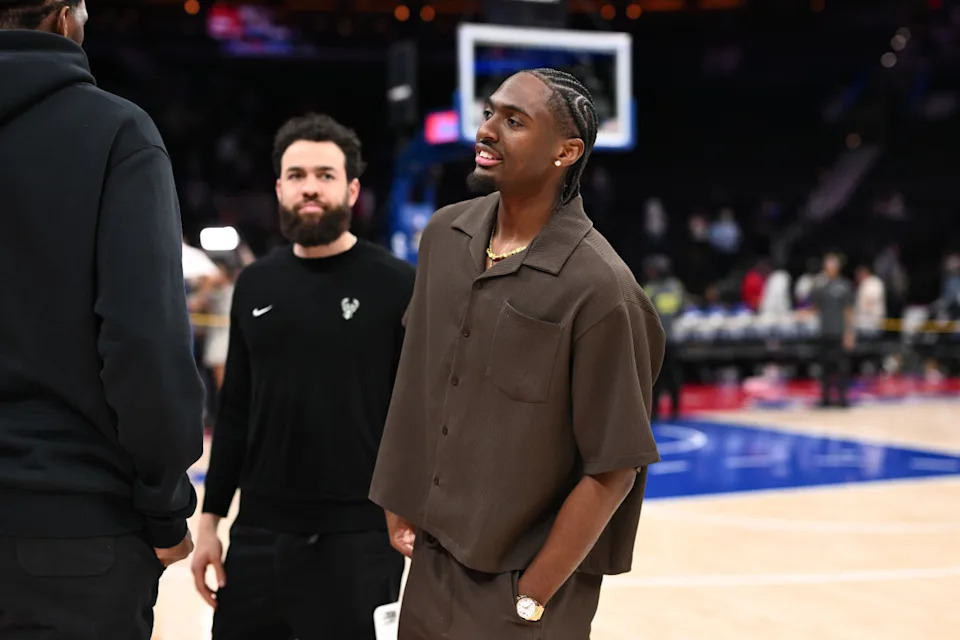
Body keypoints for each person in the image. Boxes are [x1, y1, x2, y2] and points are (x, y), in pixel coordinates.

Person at [370, 69, 665, 639]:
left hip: (522, 590)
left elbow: (614, 468)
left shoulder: (602, 288)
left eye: (514, 121)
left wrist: (531, 596)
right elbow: (417, 379)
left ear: (566, 152)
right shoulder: (444, 235)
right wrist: (398, 493)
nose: (487, 130)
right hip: (431, 562)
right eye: (489, 113)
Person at [0, 2, 204, 638]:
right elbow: (142, 341)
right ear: (64, 19)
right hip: (71, 530)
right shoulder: (118, 132)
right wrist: (166, 506)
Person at [190, 113, 415, 640]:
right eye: (296, 175)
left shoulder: (398, 285)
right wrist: (210, 522)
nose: (309, 187)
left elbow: (420, 416)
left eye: (325, 175)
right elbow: (236, 411)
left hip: (361, 537)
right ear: (279, 189)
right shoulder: (255, 284)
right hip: (260, 535)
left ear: (352, 189)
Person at [643, 255, 685, 421]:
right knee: (669, 375)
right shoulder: (676, 286)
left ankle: (657, 411)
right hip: (670, 338)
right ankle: (673, 409)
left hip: (660, 339)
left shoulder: (651, 289)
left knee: (659, 375)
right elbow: (680, 308)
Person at [811, 252, 855, 407]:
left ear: (837, 267)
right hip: (824, 332)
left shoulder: (844, 286)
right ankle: (825, 399)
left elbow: (848, 310)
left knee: (841, 367)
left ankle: (842, 399)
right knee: (824, 368)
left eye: (832, 265)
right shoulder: (820, 286)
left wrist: (849, 332)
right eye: (827, 265)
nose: (829, 268)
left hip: (839, 332)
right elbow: (815, 307)